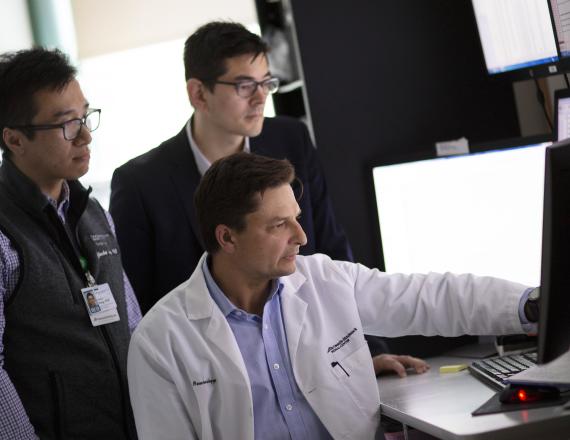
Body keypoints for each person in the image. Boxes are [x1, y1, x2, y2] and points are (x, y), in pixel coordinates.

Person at [127, 153, 537, 440]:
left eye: (298, 220)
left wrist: (534, 305)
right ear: (227, 237)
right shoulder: (162, 340)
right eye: (279, 225)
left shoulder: (324, 280)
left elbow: (429, 297)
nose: (301, 238)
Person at [109, 21, 352, 315]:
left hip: (309, 340)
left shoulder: (291, 140)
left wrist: (367, 350)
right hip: (201, 354)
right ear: (198, 94)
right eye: (245, 85)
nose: (261, 97)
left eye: (266, 83)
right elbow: (138, 307)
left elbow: (332, 253)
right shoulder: (140, 183)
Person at [0, 48, 141, 439]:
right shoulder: (4, 236)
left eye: (85, 116)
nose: (85, 134)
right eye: (66, 125)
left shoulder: (92, 210)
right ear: (14, 139)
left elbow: (132, 323)